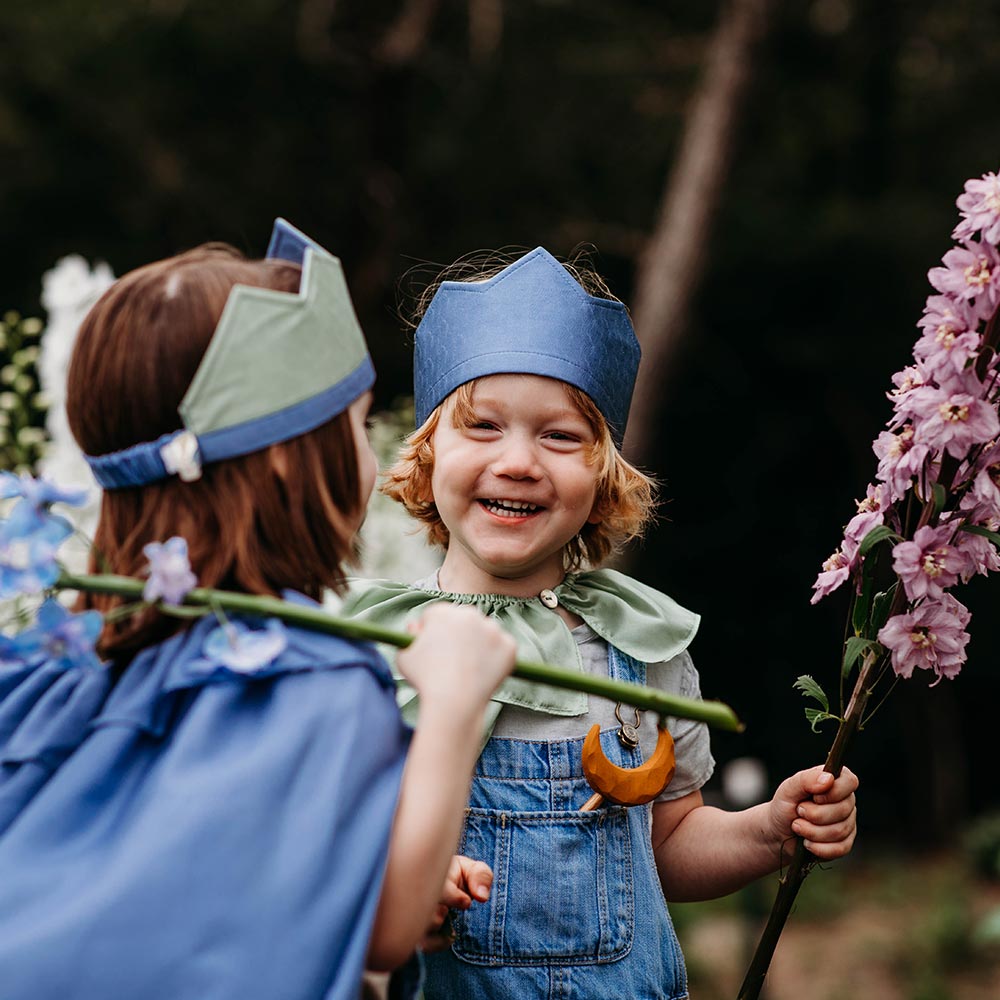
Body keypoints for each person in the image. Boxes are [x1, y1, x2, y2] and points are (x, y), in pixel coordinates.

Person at [0, 221, 516, 1000]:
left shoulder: (46, 676)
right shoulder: (306, 681)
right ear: (284, 455)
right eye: (356, 419)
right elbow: (385, 922)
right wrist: (450, 705)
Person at [341, 246, 860, 999]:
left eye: (559, 436)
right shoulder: (374, 646)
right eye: (482, 426)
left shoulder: (641, 647)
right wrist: (406, 878)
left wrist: (769, 832)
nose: (519, 461)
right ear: (425, 454)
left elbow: (670, 844)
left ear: (606, 475)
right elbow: (332, 859)